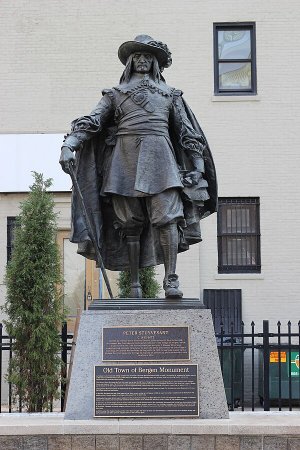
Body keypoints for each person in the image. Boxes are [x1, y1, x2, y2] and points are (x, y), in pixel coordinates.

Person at [59, 35, 217, 299]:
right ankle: (133, 284)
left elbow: (187, 134)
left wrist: (198, 167)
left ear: (156, 63)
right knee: (129, 223)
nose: (142, 60)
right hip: (124, 164)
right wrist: (69, 145)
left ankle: (171, 280)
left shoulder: (170, 95)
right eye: (138, 56)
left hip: (162, 163)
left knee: (168, 218)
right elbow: (92, 121)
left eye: (148, 56)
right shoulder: (115, 95)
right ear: (130, 62)